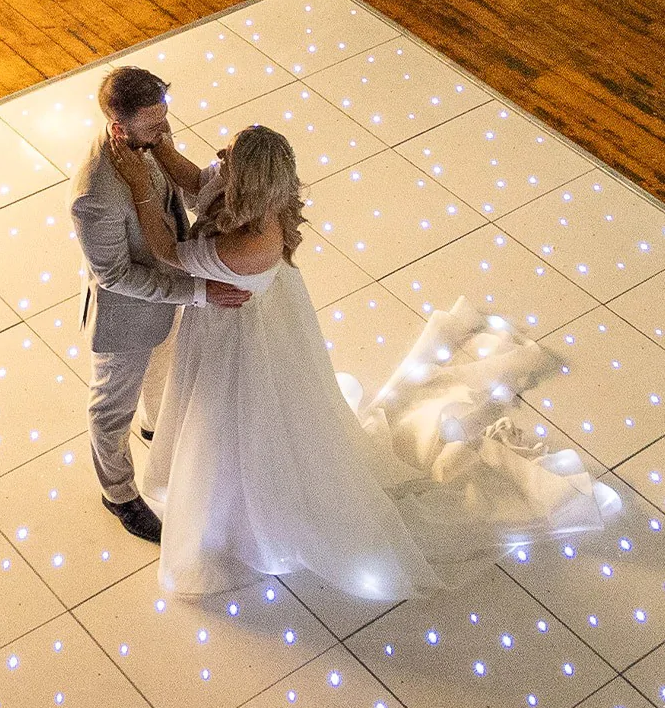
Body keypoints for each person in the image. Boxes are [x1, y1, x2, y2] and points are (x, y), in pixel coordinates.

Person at [104, 122, 616, 599]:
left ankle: (245, 512)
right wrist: (162, 146)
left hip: (241, 335)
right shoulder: (258, 199)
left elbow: (168, 250)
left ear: (249, 182)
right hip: (250, 318)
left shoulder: (252, 245)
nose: (219, 157)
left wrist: (138, 182)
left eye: (230, 158)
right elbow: (202, 181)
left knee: (238, 415)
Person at [70, 67, 250, 545]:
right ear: (118, 128)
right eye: (154, 126)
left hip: (168, 293)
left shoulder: (148, 142)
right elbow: (114, 275)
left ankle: (156, 430)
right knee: (111, 408)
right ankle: (120, 493)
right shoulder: (96, 194)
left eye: (164, 119)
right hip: (125, 317)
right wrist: (198, 291)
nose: (164, 131)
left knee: (162, 369)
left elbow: (189, 194)